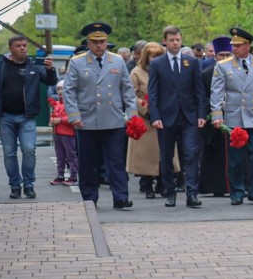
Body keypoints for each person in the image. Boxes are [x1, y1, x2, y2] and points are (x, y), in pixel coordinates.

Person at [62, 22, 137, 209]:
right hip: (87, 119)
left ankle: (121, 197)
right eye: (94, 42)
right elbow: (69, 91)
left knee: (116, 161)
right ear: (87, 43)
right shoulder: (77, 62)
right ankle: (89, 197)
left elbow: (127, 89)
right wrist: (73, 115)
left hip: (113, 119)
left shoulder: (118, 61)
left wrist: (132, 115)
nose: (99, 46)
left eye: (102, 41)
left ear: (107, 42)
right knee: (88, 162)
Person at [210, 27, 253, 205]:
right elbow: (216, 92)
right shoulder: (223, 66)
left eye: (238, 45)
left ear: (248, 46)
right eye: (233, 45)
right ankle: (237, 191)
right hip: (234, 117)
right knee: (235, 158)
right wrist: (217, 115)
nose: (234, 49)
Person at [0, 35, 57, 199]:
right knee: (9, 153)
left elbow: (50, 81)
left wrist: (50, 70)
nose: (23, 48)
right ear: (10, 48)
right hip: (5, 117)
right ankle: (14, 186)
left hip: (27, 117)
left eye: (25, 46)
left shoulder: (32, 66)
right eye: (18, 46)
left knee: (28, 150)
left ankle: (28, 185)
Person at [148, 25, 206, 208]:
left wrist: (201, 114)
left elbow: (199, 91)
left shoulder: (191, 62)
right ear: (164, 41)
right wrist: (155, 116)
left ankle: (192, 193)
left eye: (178, 40)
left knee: (190, 154)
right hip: (166, 118)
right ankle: (170, 192)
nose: (175, 43)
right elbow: (153, 92)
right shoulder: (157, 64)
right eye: (171, 40)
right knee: (166, 157)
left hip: (189, 117)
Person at [127, 42, 179, 198]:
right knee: (146, 154)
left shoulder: (167, 70)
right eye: (153, 56)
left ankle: (164, 183)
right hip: (145, 118)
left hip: (164, 115)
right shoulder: (136, 72)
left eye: (159, 56)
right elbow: (132, 95)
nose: (156, 59)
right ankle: (147, 184)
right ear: (146, 56)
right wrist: (146, 108)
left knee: (165, 152)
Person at [198, 37, 232, 197]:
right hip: (213, 119)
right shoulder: (206, 74)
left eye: (228, 55)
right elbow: (201, 96)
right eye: (221, 55)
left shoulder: (237, 71)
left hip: (233, 117)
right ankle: (214, 185)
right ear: (215, 56)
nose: (225, 59)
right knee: (214, 154)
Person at [48, 81, 78, 186]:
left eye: (62, 89)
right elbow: (54, 114)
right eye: (58, 89)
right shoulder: (57, 103)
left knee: (71, 155)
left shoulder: (71, 103)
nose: (60, 92)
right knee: (59, 156)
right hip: (57, 133)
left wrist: (60, 120)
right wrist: (52, 119)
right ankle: (60, 175)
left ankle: (73, 176)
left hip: (68, 133)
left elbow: (74, 117)